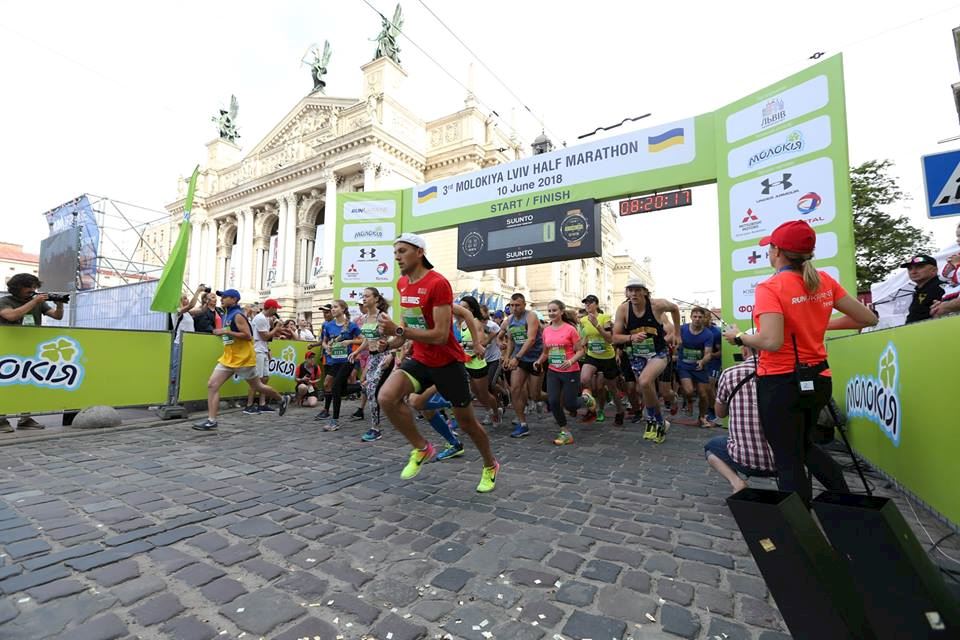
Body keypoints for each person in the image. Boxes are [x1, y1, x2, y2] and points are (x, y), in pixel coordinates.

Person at [723, 220, 877, 506]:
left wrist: (740, 336)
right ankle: (846, 504)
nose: (768, 252)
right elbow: (868, 318)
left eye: (769, 247)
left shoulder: (770, 287)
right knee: (805, 446)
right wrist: (816, 325)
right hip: (819, 379)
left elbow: (770, 341)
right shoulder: (823, 281)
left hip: (781, 382)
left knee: (788, 459)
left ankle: (799, 527)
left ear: (777, 251)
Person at [376, 233, 500, 493]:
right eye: (395, 252)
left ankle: (490, 464)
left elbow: (440, 335)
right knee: (387, 397)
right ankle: (422, 448)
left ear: (419, 252)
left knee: (467, 424)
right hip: (420, 358)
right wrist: (390, 341)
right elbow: (407, 327)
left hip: (447, 363)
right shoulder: (402, 284)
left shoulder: (438, 283)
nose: (397, 256)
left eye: (402, 251)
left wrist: (399, 331)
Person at [192, 289, 289, 431]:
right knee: (212, 385)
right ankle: (211, 420)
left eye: (225, 297)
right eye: (221, 297)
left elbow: (247, 335)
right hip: (228, 358)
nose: (222, 299)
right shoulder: (225, 313)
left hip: (243, 359)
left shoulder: (237, 315)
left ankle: (281, 399)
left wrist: (226, 331)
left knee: (258, 386)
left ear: (234, 299)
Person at [705, 330, 777, 492]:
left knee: (711, 446)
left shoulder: (730, 374)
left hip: (745, 460)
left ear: (744, 350)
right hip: (785, 460)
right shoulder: (785, 374)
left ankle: (736, 482)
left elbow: (720, 413)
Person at [613, 280, 681, 443]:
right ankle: (659, 421)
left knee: (644, 381)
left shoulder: (657, 305)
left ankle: (653, 417)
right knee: (645, 388)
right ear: (627, 293)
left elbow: (675, 309)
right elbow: (615, 337)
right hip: (637, 355)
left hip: (658, 352)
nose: (634, 294)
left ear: (645, 292)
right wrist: (631, 337)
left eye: (637, 290)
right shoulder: (623, 309)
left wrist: (677, 333)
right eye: (630, 290)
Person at [0, 273, 66, 432]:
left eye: (34, 287)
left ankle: (25, 419)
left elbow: (57, 316)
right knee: (5, 384)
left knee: (27, 383)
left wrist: (60, 305)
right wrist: (35, 301)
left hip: (30, 348)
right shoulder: (5, 301)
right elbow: (11, 315)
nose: (32, 290)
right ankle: (2, 420)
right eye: (28, 287)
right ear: (17, 287)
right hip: (7, 350)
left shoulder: (37, 301)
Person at [535, 300, 593, 446]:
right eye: (549, 311)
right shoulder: (546, 330)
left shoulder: (570, 329)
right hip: (553, 371)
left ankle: (586, 398)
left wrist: (571, 361)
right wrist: (539, 361)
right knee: (553, 401)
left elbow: (581, 351)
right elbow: (546, 352)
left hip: (570, 371)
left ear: (561, 312)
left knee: (570, 405)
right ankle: (565, 432)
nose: (551, 313)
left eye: (554, 310)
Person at [350, 287, 391, 441]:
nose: (364, 299)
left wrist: (392, 354)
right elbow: (367, 340)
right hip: (373, 357)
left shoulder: (383, 317)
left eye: (367, 296)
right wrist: (357, 352)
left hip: (384, 356)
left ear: (376, 299)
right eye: (363, 296)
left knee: (372, 388)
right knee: (368, 388)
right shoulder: (367, 317)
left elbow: (396, 336)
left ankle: (375, 429)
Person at [501, 293, 544, 438]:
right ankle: (523, 424)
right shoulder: (510, 320)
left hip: (536, 358)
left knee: (535, 394)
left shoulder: (530, 316)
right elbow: (511, 340)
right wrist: (507, 357)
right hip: (520, 360)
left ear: (524, 305)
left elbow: (531, 339)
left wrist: (516, 357)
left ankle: (554, 401)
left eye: (517, 305)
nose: (514, 308)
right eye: (511, 305)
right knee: (515, 389)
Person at [313, 300, 361, 431]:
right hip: (334, 361)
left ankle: (334, 421)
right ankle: (361, 387)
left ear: (343, 309)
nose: (332, 309)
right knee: (333, 386)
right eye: (332, 307)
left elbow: (363, 340)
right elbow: (324, 341)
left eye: (335, 307)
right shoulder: (328, 325)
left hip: (348, 360)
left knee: (335, 387)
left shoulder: (351, 325)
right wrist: (327, 347)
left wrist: (350, 341)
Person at [579, 295, 625, 425]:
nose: (587, 305)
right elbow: (586, 337)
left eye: (590, 303)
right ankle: (592, 408)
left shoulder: (605, 318)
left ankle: (620, 411)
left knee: (612, 388)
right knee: (584, 379)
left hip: (607, 357)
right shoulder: (583, 320)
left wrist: (597, 325)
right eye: (586, 303)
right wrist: (583, 342)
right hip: (592, 356)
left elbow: (610, 339)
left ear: (597, 304)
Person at [458, 296, 502, 428]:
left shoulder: (476, 322)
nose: (461, 309)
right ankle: (489, 411)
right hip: (467, 362)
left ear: (471, 309)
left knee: (484, 393)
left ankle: (496, 412)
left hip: (478, 363)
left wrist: (463, 346)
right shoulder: (463, 323)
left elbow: (481, 343)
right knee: (475, 392)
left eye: (464, 307)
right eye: (460, 307)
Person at [676, 306, 715, 428]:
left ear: (703, 319)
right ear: (691, 317)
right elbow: (673, 339)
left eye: (700, 317)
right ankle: (689, 401)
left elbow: (708, 353)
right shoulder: (682, 329)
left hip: (699, 367)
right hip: (684, 365)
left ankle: (702, 417)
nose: (697, 319)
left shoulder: (708, 334)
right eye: (695, 316)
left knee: (703, 395)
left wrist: (702, 361)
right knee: (688, 391)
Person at [245, 299, 285, 415]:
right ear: (271, 308)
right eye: (276, 308)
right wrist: (276, 328)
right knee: (256, 379)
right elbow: (265, 336)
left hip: (263, 349)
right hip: (257, 350)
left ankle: (262, 404)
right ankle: (249, 405)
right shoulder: (260, 318)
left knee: (265, 378)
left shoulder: (266, 319)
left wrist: (268, 349)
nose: (276, 311)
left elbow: (269, 337)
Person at [902, 255, 944, 324]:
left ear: (934, 270)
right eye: (910, 268)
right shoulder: (918, 291)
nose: (913, 271)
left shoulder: (942, 288)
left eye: (919, 267)